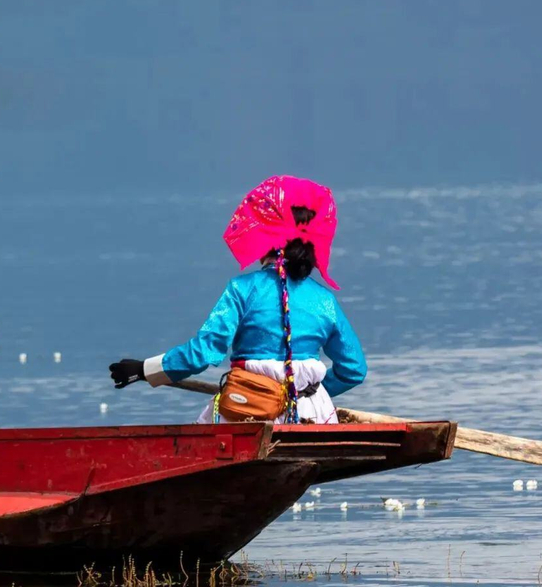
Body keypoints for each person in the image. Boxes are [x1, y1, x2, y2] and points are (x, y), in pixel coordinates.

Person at [109, 175, 367, 424]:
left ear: (263, 234)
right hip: (314, 415)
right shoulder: (325, 301)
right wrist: (304, 394)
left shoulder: (242, 290)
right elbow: (353, 369)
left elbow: (202, 353)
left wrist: (144, 369)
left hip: (246, 409)